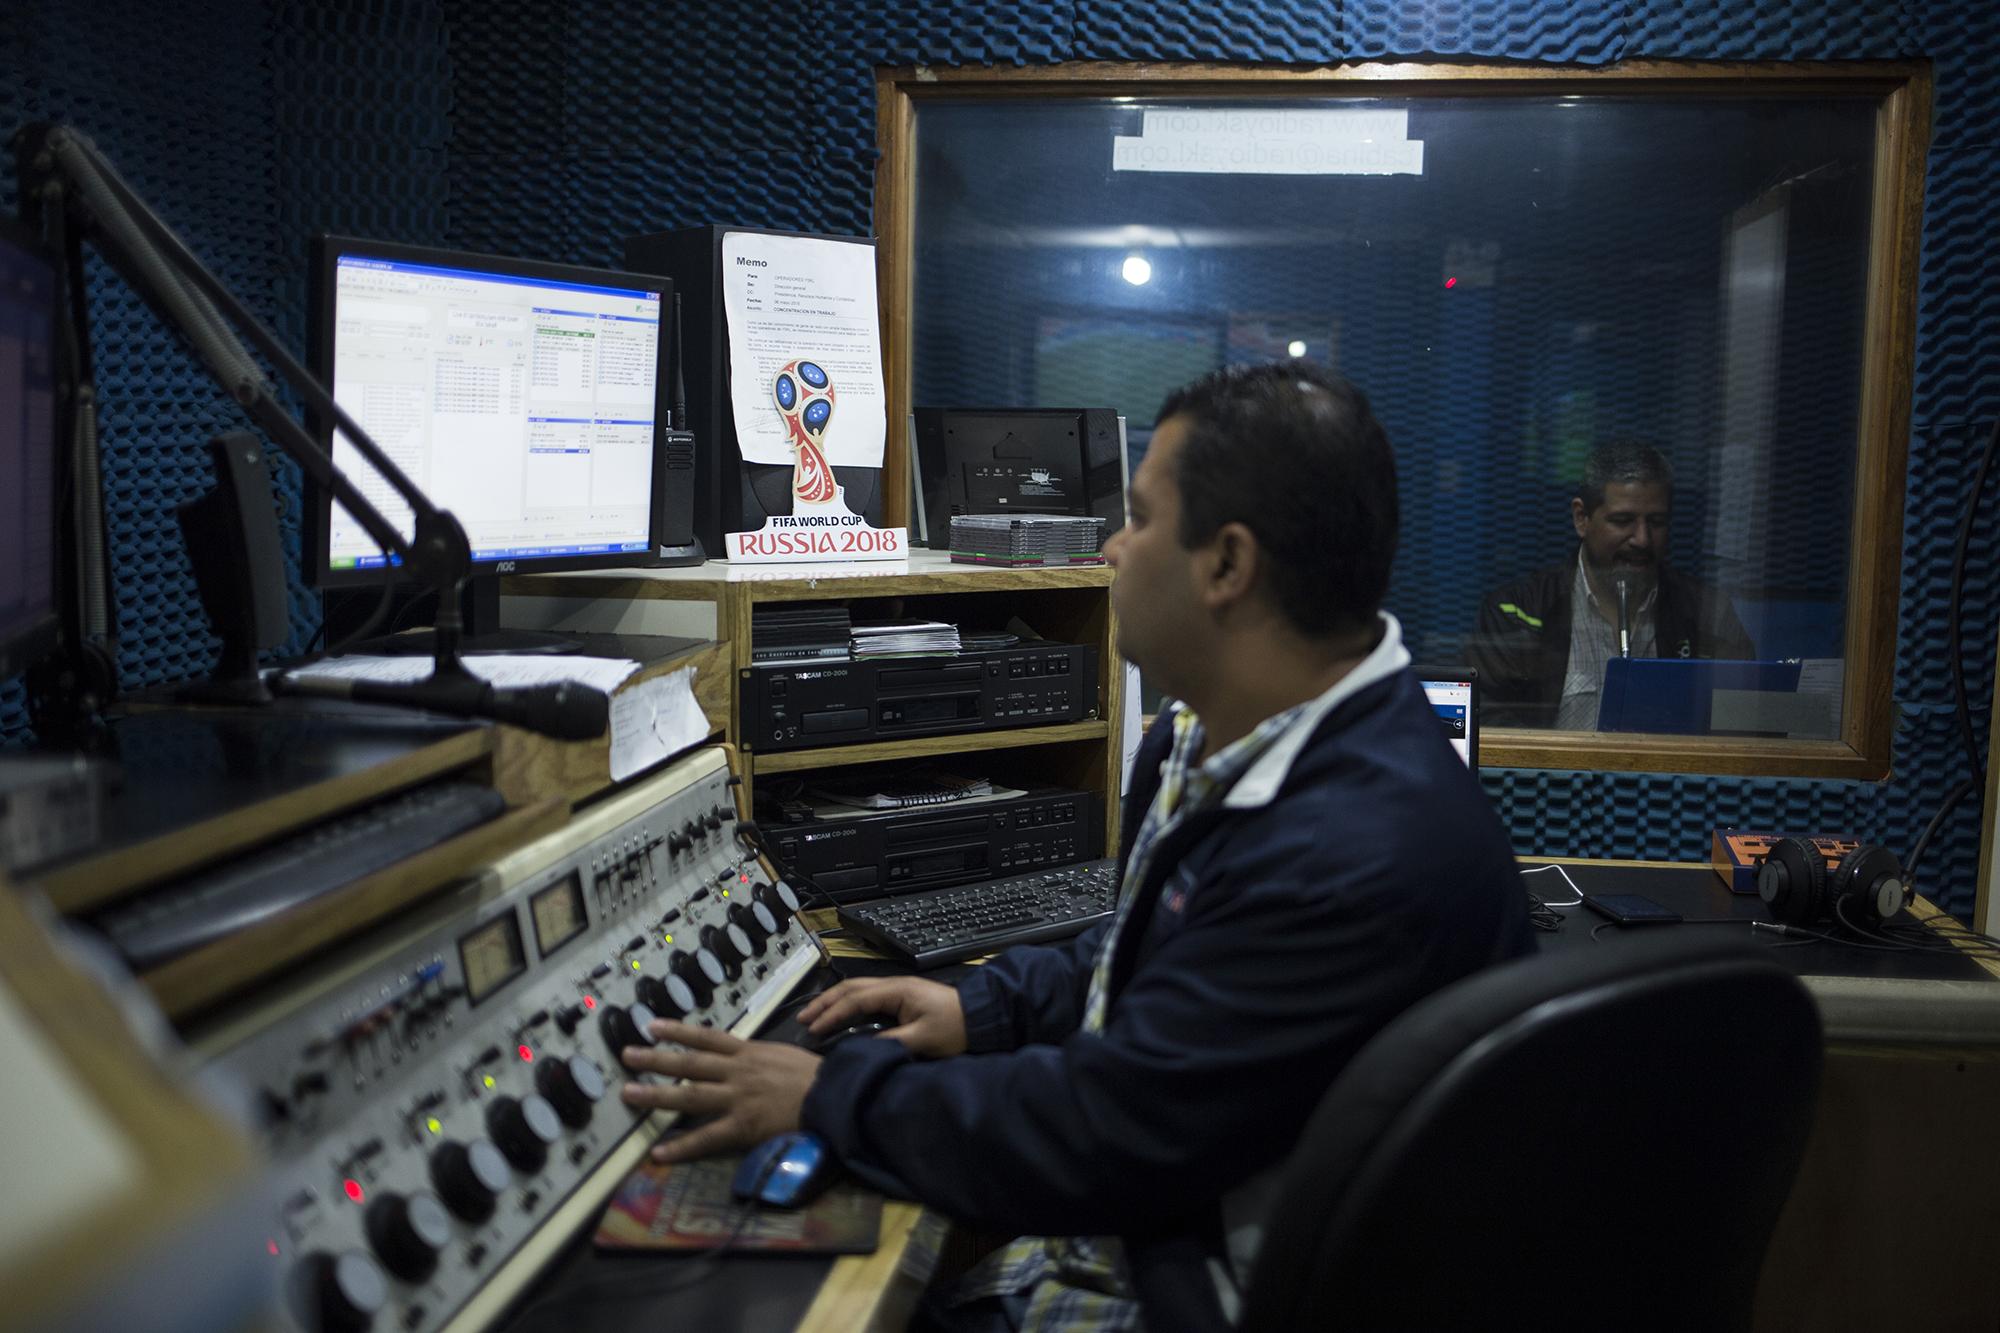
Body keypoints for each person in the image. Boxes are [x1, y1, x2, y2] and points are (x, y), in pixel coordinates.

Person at [619, 363, 1532, 1330]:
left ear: (1227, 566)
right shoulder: (1225, 739)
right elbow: (1159, 953)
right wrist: (985, 1006)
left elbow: (1102, 1134)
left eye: (1138, 519)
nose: (1110, 547)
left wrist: (831, 1093)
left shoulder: (1354, 852)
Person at [1467, 442, 1756, 730]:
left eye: (1656, 522)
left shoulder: (1707, 612)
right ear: (1582, 518)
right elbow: (1485, 724)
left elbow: (1745, 721)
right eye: (1623, 521)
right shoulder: (1517, 611)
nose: (1642, 539)